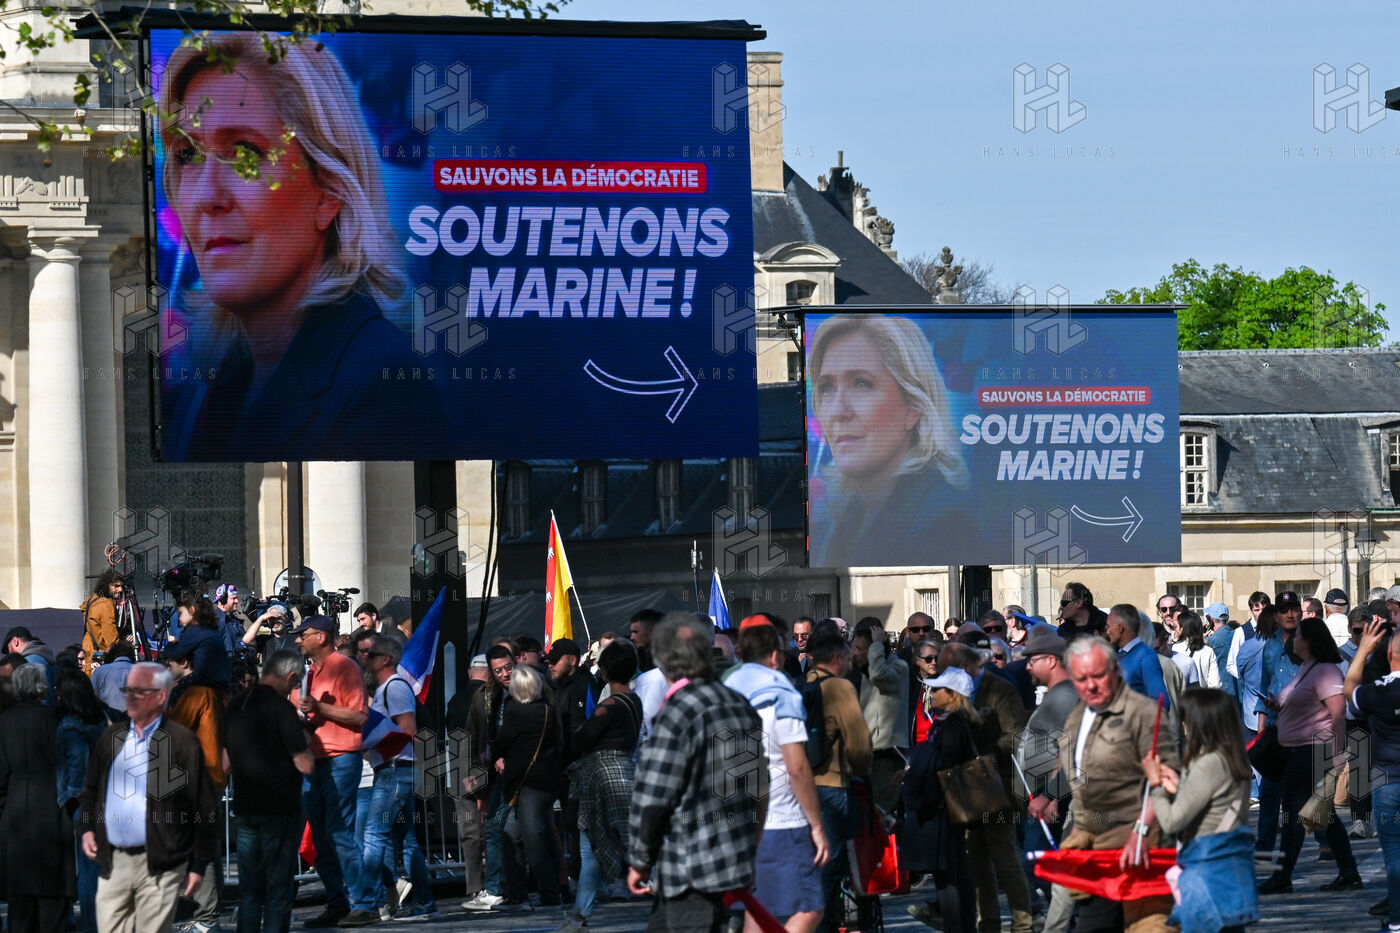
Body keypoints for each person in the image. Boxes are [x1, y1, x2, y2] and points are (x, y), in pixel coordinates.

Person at [157, 33, 445, 462]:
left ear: (329, 190)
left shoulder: (381, 384)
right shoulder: (212, 385)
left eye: (245, 153)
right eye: (187, 155)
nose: (205, 196)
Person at [626, 613, 764, 932]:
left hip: (690, 865)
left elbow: (654, 795)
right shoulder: (739, 705)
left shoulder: (678, 711)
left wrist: (640, 859)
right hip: (733, 855)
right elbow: (757, 787)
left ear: (663, 660)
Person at [1034, 636, 1179, 933]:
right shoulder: (1078, 717)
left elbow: (1165, 781)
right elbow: (1078, 775)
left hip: (1140, 851)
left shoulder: (1142, 714)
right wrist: (1060, 809)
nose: (1090, 685)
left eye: (1098, 676)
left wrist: (1141, 831)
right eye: (1081, 678)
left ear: (1114, 671)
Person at [806, 313, 969, 567]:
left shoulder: (946, 522)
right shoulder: (842, 517)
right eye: (827, 387)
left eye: (861, 384)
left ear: (914, 406)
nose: (838, 411)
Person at [79, 662, 216, 933]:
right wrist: (86, 829)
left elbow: (204, 807)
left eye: (139, 691)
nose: (130, 697)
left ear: (161, 696)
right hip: (114, 861)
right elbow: (91, 790)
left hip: (161, 863)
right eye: (128, 690)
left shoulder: (181, 741)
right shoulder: (111, 737)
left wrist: (198, 865)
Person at [728, 623, 830, 933]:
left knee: (757, 910)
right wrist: (816, 824)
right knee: (809, 907)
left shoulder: (726, 687)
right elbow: (797, 767)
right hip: (781, 820)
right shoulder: (781, 691)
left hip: (736, 819)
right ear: (775, 656)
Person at [1141, 689, 1258, 933]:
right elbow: (1213, 801)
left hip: (1206, 866)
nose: (1184, 726)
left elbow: (1172, 822)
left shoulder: (1207, 764)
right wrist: (1179, 785)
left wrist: (1156, 785)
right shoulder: (1231, 757)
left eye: (1186, 719)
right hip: (1230, 865)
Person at [1259, 617, 1360, 894]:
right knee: (1322, 814)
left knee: (1294, 813)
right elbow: (1304, 703)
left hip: (1313, 750)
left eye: (1298, 635)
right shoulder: (1307, 668)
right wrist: (1279, 706)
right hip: (1299, 750)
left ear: (1309, 641)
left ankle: (1283, 876)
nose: (1293, 639)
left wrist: (1337, 755)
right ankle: (1348, 871)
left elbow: (1337, 713)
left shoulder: (1326, 671)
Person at [941, 639, 1032, 933]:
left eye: (948, 671)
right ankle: (988, 924)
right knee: (977, 860)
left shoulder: (999, 688)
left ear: (966, 666)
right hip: (968, 788)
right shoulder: (955, 691)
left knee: (1004, 856)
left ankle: (1023, 924)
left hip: (999, 785)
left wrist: (987, 754)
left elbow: (1016, 734)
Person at [291, 614, 374, 927]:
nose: (298, 640)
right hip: (318, 760)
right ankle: (339, 903)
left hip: (340, 759)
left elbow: (360, 716)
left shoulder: (345, 667)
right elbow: (314, 715)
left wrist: (318, 708)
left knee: (339, 834)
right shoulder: (311, 672)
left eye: (304, 635)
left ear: (322, 637)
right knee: (323, 839)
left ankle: (365, 905)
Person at [226, 650, 314, 933]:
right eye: (295, 683)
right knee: (277, 889)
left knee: (250, 891)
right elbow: (304, 764)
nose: (294, 688)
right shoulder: (281, 709)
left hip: (246, 808)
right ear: (290, 677)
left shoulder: (236, 705)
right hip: (278, 809)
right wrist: (308, 741)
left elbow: (225, 762)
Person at [903, 668, 996, 933]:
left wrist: (920, 766)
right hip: (954, 805)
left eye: (937, 689)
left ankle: (957, 926)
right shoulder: (960, 721)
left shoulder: (953, 724)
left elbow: (947, 765)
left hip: (947, 806)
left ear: (953, 695)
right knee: (958, 871)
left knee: (947, 874)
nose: (931, 693)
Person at [562, 641, 644, 931]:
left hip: (603, 776)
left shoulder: (609, 705)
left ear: (606, 671)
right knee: (632, 842)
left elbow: (581, 739)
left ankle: (580, 914)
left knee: (593, 848)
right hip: (626, 771)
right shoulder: (634, 700)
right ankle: (580, 914)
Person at [360, 637, 436, 920]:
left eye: (371, 654)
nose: (366, 658)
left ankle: (367, 903)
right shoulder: (387, 689)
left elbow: (408, 729)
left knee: (373, 834)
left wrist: (371, 741)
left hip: (395, 771)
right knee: (405, 839)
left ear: (386, 660)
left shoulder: (395, 688)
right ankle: (424, 901)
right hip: (395, 770)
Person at [0, 664, 74, 933]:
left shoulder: (5, 720)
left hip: (17, 806)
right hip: (53, 806)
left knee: (20, 900)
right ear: (42, 687)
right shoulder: (55, 717)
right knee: (52, 895)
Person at [806, 631, 872, 932]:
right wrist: (863, 769)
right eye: (847, 657)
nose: (851, 662)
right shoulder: (840, 687)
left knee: (813, 861)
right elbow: (859, 741)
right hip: (832, 787)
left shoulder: (801, 684)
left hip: (802, 790)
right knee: (832, 867)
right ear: (835, 659)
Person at [164, 640, 228, 933]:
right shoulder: (214, 689)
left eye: (169, 664)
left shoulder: (193, 693)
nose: (166, 669)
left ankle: (207, 916)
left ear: (184, 663)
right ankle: (209, 914)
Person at [492, 664, 565, 911]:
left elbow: (501, 743)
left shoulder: (516, 711)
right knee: (513, 835)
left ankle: (547, 893)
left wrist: (496, 755)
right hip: (544, 782)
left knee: (532, 839)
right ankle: (518, 893)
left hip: (526, 784)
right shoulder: (547, 710)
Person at [1346, 618, 1400, 933]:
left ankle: (1396, 922)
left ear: (1389, 653)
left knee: (1393, 855)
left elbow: (1349, 690)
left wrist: (1362, 651)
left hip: (1388, 782)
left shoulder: (1379, 691)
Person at [461, 645, 515, 912]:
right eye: (498, 670)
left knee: (529, 830)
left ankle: (546, 889)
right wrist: (474, 770)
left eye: (508, 667)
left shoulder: (530, 688)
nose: (505, 674)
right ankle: (501, 889)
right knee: (496, 829)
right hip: (495, 771)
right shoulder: (483, 696)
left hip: (525, 769)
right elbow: (471, 734)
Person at [55, 668, 108, 933]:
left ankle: (92, 926)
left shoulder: (69, 726)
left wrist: (72, 793)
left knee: (88, 871)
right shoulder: (102, 717)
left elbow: (77, 761)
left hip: (86, 803)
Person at [851, 618, 909, 812]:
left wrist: (877, 644)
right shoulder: (863, 673)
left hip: (886, 756)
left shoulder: (898, 668)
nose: (855, 653)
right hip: (866, 755)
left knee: (884, 812)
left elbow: (879, 675)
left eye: (860, 648)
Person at [1105, 603, 1170, 709]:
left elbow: (1161, 702)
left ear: (1120, 628)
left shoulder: (1145, 657)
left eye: (1109, 626)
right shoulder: (1120, 655)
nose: (1107, 632)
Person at [81, 570, 127, 673]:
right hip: (101, 660)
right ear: (107, 585)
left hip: (90, 656)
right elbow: (111, 638)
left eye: (122, 586)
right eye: (116, 586)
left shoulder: (94, 599)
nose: (120, 590)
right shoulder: (106, 604)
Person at [1174, 611, 1220, 689]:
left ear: (1182, 628)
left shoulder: (1175, 649)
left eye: (1176, 627)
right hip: (1202, 695)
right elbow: (1215, 684)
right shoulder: (1208, 651)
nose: (1175, 630)